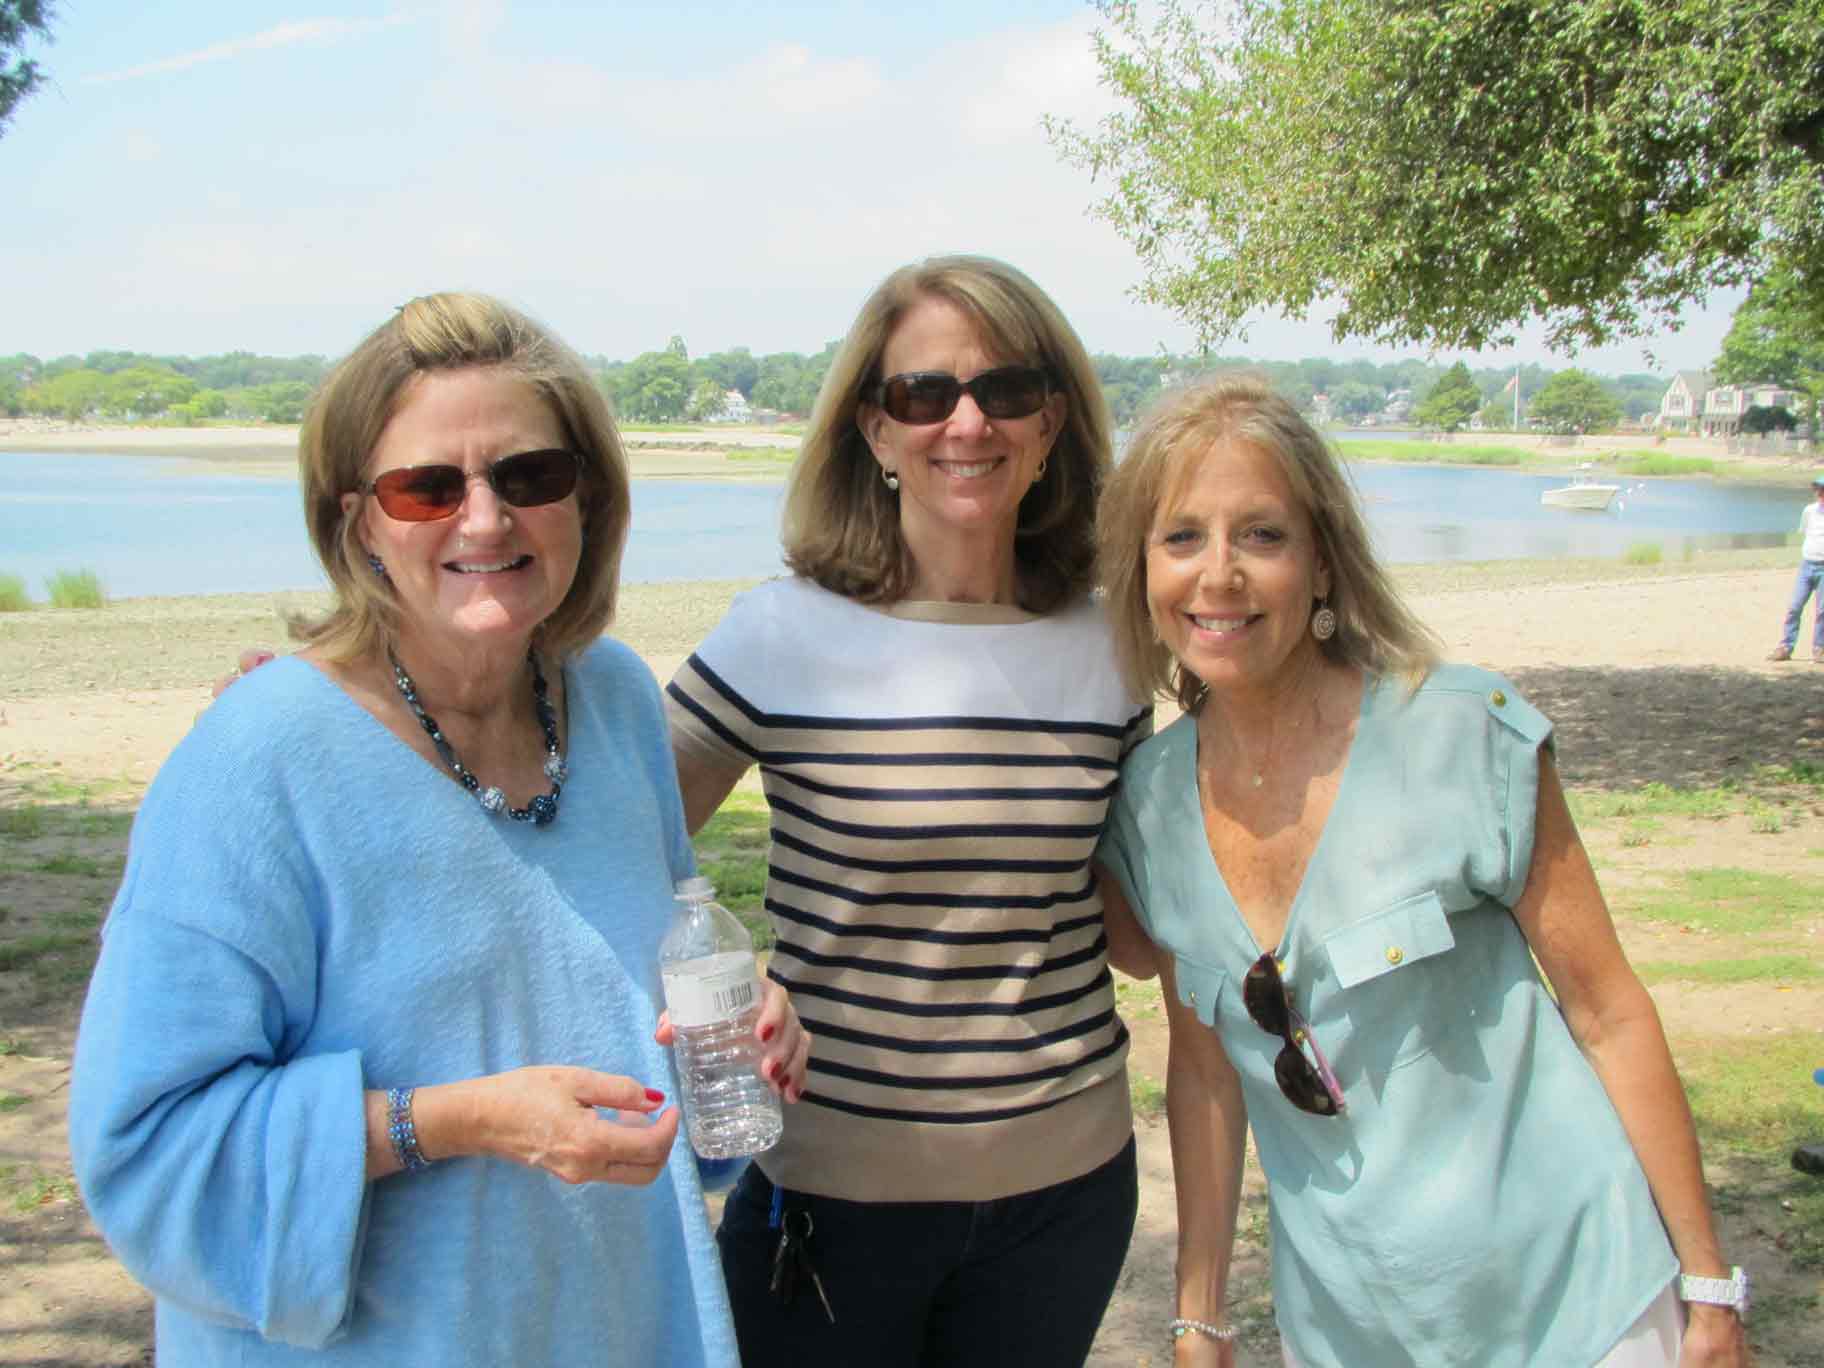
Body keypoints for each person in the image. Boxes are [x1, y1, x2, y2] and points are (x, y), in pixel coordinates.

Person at [68, 293, 810, 1367]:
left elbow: (637, 1026)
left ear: (586, 499)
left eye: (528, 477)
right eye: (428, 487)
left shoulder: (611, 705)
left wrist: (725, 1043)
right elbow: (147, 1150)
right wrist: (455, 1120)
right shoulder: (257, 759)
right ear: (356, 518)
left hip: (615, 1324)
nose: (484, 519)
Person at [1091, 375, 1750, 1367]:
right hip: (1352, 1332)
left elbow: (1607, 1011)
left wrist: (1708, 1288)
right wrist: (1200, 1316)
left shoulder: (1463, 733)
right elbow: (1206, 1073)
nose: (1218, 573)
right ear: (1143, 570)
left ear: (1322, 565)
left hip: (1580, 1301)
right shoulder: (1146, 804)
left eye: (1261, 536)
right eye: (1181, 537)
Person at [663, 255, 1154, 1365]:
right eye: (923, 395)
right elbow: (610, 837)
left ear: (1051, 422)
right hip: (831, 1208)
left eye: (1005, 390)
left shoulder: (1114, 647)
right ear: (875, 433)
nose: (965, 421)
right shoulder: (781, 637)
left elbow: (1135, 929)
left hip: (1067, 1198)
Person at [1765, 471, 1824, 663]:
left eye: (1823, 490)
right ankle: (1786, 647)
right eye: (1818, 489)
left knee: (1822, 611)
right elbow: (1806, 532)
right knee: (1794, 606)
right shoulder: (1809, 511)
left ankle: (1819, 649)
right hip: (1807, 565)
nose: (1820, 493)